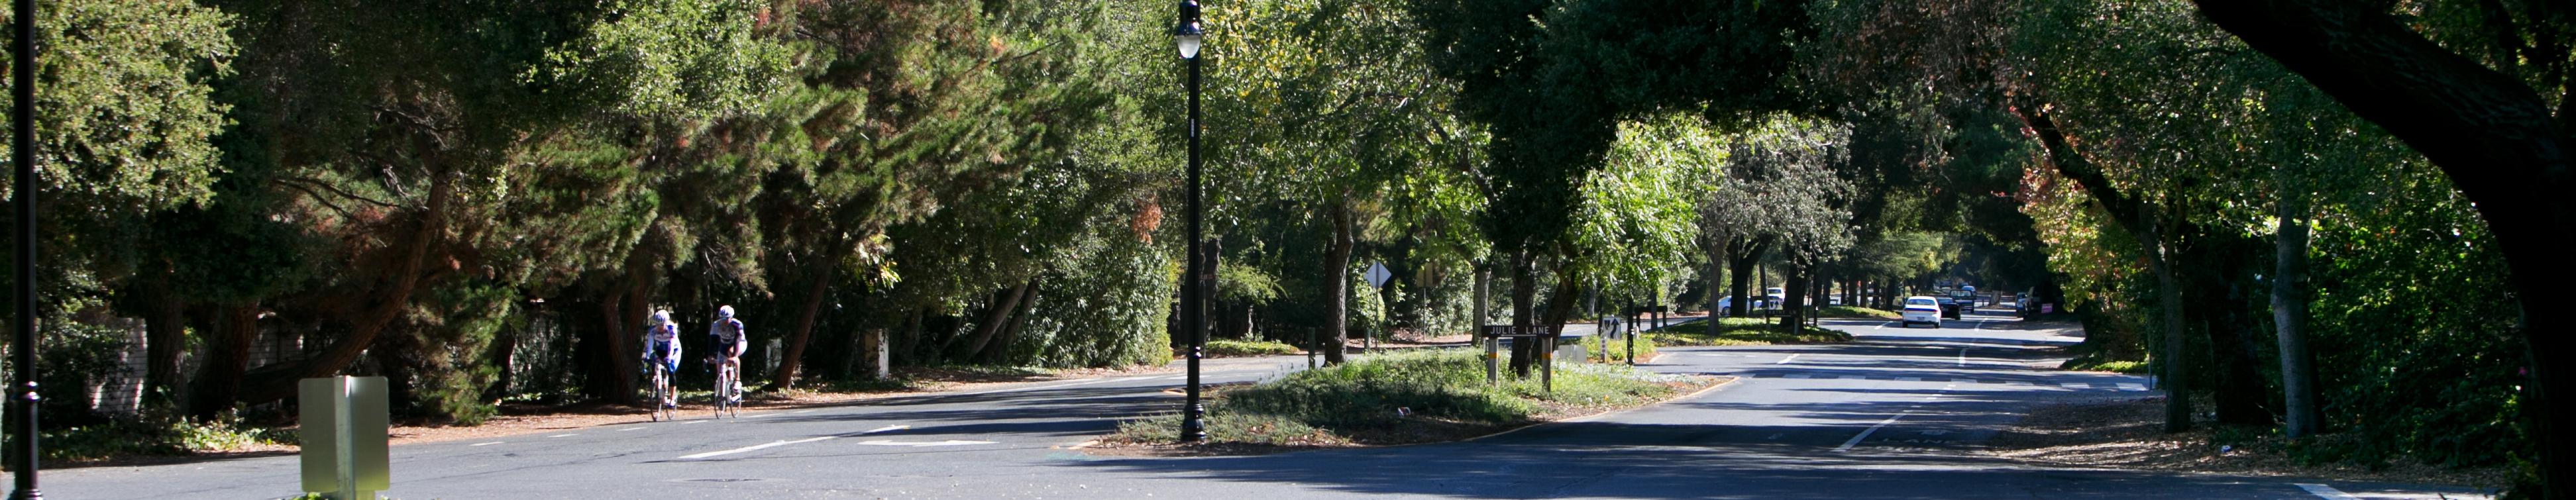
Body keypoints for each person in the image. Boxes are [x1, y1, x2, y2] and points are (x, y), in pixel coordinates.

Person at [707, 305, 747, 402]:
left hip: (739, 343)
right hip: (724, 344)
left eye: (726, 319)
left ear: (731, 318)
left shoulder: (737, 325)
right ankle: (722, 395)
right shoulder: (716, 325)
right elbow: (712, 341)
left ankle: (737, 380)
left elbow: (737, 340)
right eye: (721, 319)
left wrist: (735, 356)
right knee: (720, 366)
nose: (723, 321)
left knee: (731, 353)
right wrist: (710, 355)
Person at [643, 310, 681, 407]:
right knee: (654, 367)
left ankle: (673, 397)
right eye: (657, 325)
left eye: (661, 325)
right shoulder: (652, 330)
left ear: (666, 323)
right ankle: (660, 391)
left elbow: (672, 344)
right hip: (660, 351)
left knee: (671, 370)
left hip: (674, 351)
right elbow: (650, 343)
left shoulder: (672, 328)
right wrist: (647, 356)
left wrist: (669, 357)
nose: (659, 327)